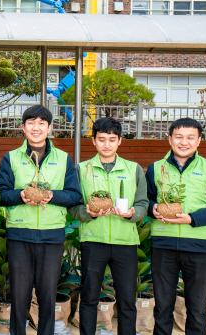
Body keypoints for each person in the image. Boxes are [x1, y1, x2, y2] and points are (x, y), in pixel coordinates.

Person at [0, 105, 82, 335]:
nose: (36, 128)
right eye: (31, 123)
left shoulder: (63, 159)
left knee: (47, 295)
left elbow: (75, 195)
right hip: (19, 236)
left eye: (41, 123)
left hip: (51, 236)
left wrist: (53, 196)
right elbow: (1, 194)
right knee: (19, 295)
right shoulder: (11, 158)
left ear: (50, 128)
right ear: (22, 127)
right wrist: (21, 196)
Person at [145, 118, 206, 335]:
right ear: (170, 139)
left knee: (196, 308)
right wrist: (152, 208)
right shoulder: (156, 168)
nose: (184, 142)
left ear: (199, 141)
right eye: (179, 137)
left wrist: (192, 219)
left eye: (190, 137)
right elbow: (144, 201)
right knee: (163, 306)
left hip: (199, 246)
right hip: (164, 244)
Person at [68, 117, 148, 335]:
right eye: (101, 139)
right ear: (93, 141)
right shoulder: (81, 169)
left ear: (120, 141)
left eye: (112, 140)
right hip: (94, 240)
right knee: (90, 297)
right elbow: (73, 205)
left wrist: (133, 214)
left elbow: (143, 203)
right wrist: (88, 213)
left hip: (126, 242)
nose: (106, 144)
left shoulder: (134, 170)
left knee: (127, 300)